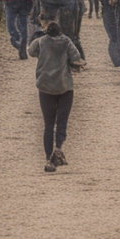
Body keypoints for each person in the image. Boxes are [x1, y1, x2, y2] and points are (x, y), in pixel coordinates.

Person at [28, 21, 83, 172]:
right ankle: (58, 148)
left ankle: (48, 158)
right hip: (65, 88)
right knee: (62, 122)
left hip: (45, 88)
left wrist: (38, 37)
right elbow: (76, 57)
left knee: (48, 125)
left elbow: (30, 51)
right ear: (60, 31)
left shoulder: (41, 42)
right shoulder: (66, 41)